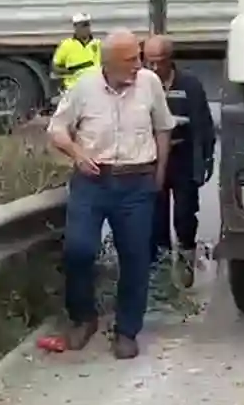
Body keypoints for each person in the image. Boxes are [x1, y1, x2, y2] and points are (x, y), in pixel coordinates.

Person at [46, 30, 174, 359]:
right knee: (78, 249)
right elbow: (56, 129)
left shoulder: (149, 84)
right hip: (93, 181)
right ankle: (83, 318)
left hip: (137, 182)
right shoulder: (84, 88)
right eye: (131, 60)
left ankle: (127, 331)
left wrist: (158, 174)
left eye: (139, 57)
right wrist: (76, 152)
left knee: (135, 257)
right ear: (109, 63)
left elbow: (163, 127)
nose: (139, 65)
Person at [143, 35, 216, 275]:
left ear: (169, 60)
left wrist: (206, 158)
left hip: (183, 158)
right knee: (155, 219)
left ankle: (186, 261)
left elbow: (203, 124)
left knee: (185, 215)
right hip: (153, 161)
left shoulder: (190, 85)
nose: (154, 68)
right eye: (149, 62)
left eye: (159, 62)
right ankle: (160, 273)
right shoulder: (141, 85)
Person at [52, 13, 102, 94]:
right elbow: (55, 67)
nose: (86, 28)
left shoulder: (97, 44)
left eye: (87, 25)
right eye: (83, 26)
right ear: (75, 27)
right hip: (74, 88)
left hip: (93, 88)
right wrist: (71, 71)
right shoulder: (67, 45)